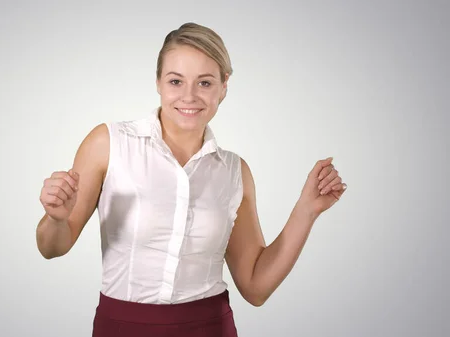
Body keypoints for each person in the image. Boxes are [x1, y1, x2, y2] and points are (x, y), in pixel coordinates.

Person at [36, 22, 347, 337]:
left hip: (210, 328)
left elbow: (255, 286)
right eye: (176, 81)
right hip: (121, 328)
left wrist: (306, 210)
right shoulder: (109, 143)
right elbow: (51, 248)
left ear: (224, 86)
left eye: (205, 83)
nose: (189, 96)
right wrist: (56, 219)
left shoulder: (234, 171)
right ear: (158, 82)